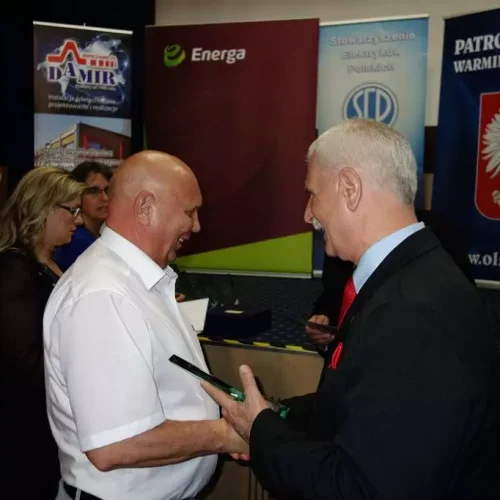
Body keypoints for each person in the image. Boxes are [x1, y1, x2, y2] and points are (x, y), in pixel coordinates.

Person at [202, 120, 498, 500]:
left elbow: (359, 488)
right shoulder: (412, 277)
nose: (308, 213)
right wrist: (275, 416)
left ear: (350, 189)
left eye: (312, 194)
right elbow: (363, 403)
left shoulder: (410, 312)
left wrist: (261, 433)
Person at [43, 151, 247, 500]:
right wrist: (226, 434)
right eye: (189, 212)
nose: (196, 225)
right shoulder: (102, 294)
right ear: (145, 207)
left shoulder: (135, 283)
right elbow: (115, 444)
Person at [0, 167, 84, 499]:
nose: (78, 220)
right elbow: (26, 359)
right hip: (23, 422)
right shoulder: (14, 269)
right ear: (43, 208)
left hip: (45, 417)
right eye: (72, 210)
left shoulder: (45, 261)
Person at [307, 209, 476, 348]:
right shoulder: (336, 240)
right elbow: (332, 295)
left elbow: (465, 311)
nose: (307, 214)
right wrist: (323, 319)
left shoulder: (439, 237)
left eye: (315, 193)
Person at [54, 161, 111, 270]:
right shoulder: (76, 241)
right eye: (94, 191)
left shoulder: (93, 237)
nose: (105, 198)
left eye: (107, 190)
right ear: (76, 195)